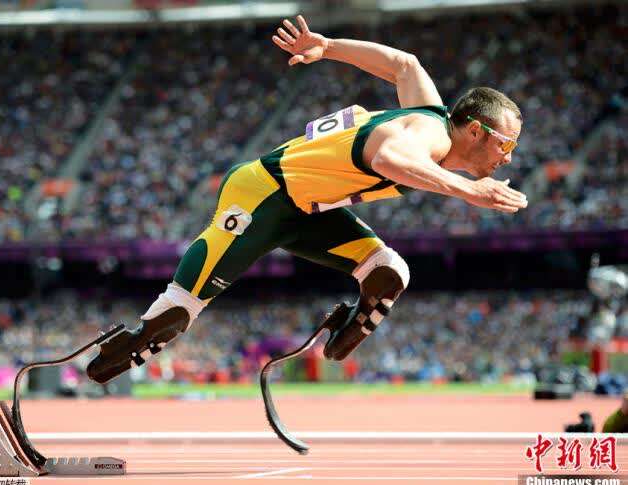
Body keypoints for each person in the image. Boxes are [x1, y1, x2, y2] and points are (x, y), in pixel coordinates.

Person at [87, 15, 527, 384]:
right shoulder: (429, 135)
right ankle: (130, 342)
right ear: (474, 130)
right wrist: (469, 190)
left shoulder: (431, 115)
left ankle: (344, 331)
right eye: (505, 144)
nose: (507, 157)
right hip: (264, 194)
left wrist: (329, 46)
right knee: (182, 306)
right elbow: (390, 158)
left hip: (308, 210)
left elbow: (404, 64)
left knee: (388, 270)